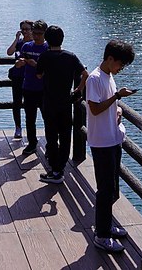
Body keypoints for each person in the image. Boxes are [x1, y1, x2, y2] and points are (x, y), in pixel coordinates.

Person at [85, 39, 136, 253]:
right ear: (109, 58)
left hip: (113, 138)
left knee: (113, 189)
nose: (121, 68)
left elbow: (105, 106)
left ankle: (106, 225)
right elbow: (95, 109)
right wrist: (117, 96)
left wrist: (117, 108)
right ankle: (102, 235)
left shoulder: (109, 76)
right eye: (120, 64)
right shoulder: (95, 79)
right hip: (102, 142)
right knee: (106, 190)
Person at [35, 25, 87, 184]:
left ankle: (54, 170)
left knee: (51, 136)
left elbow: (38, 75)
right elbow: (85, 74)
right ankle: (61, 169)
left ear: (47, 39)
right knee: (65, 136)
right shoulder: (71, 57)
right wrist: (78, 89)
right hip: (66, 102)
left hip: (49, 103)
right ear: (62, 39)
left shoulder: (44, 57)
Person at [18, 19, 50, 155]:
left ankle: (50, 145)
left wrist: (34, 64)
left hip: (44, 89)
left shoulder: (48, 48)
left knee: (47, 118)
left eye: (39, 33)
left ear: (45, 34)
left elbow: (51, 69)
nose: (36, 36)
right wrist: (19, 63)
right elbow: (20, 61)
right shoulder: (26, 47)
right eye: (34, 33)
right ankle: (32, 143)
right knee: (30, 118)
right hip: (29, 87)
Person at [6, 20, 34, 139]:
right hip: (17, 77)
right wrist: (17, 39)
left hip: (30, 78)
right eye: (23, 29)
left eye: (27, 29)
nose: (24, 31)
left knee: (30, 105)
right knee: (16, 103)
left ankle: (30, 130)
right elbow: (9, 52)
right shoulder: (19, 43)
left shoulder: (35, 44)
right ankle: (18, 127)